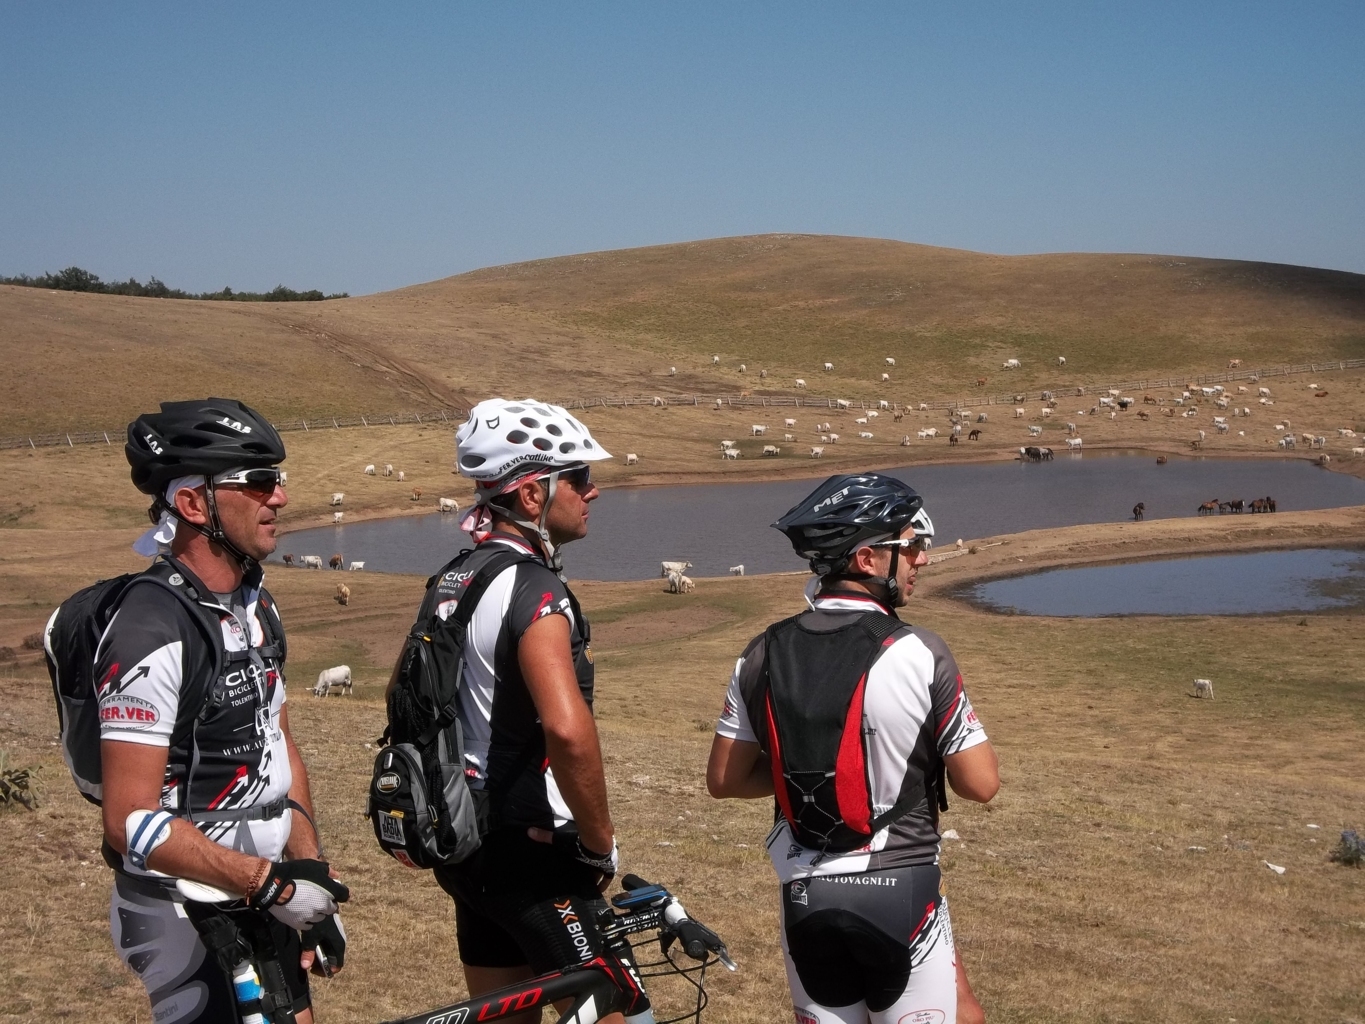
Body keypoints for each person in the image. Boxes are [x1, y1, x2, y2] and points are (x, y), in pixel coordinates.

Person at [706, 473, 999, 1024]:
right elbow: (980, 784)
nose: (923, 559)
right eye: (910, 546)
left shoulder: (759, 651)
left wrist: (803, 769)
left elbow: (723, 780)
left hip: (804, 891)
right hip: (901, 885)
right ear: (867, 559)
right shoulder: (920, 651)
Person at [98, 399, 347, 1023]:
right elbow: (128, 821)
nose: (281, 499)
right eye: (258, 483)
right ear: (192, 504)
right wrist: (269, 883)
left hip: (261, 888)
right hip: (183, 906)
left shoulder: (255, 605)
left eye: (279, 480)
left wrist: (305, 864)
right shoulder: (149, 626)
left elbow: (277, 743)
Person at [395, 398, 640, 1023]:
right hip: (533, 855)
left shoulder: (458, 575)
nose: (594, 491)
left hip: (467, 844)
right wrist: (599, 842)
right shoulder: (535, 588)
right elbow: (565, 727)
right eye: (579, 477)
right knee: (619, 1011)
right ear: (533, 495)